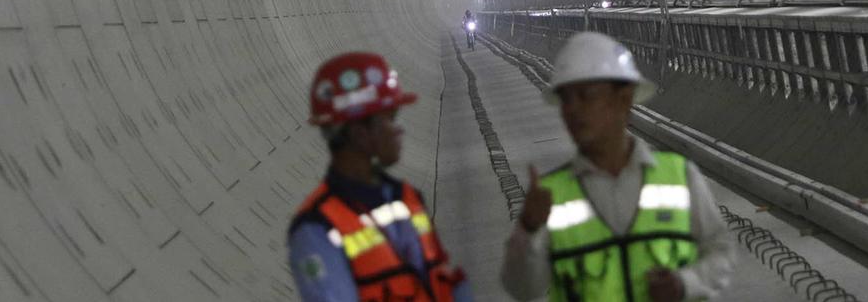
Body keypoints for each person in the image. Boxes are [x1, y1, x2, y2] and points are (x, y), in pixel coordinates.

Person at [501, 32, 737, 301]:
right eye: (566, 99)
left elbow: (720, 250)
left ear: (623, 99)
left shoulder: (679, 176)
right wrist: (528, 228)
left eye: (586, 96)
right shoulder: (550, 195)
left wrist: (685, 284)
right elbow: (521, 287)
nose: (573, 110)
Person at [288, 52, 473, 301]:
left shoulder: (407, 199)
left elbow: (438, 281)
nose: (398, 130)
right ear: (358, 134)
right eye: (389, 119)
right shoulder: (316, 229)